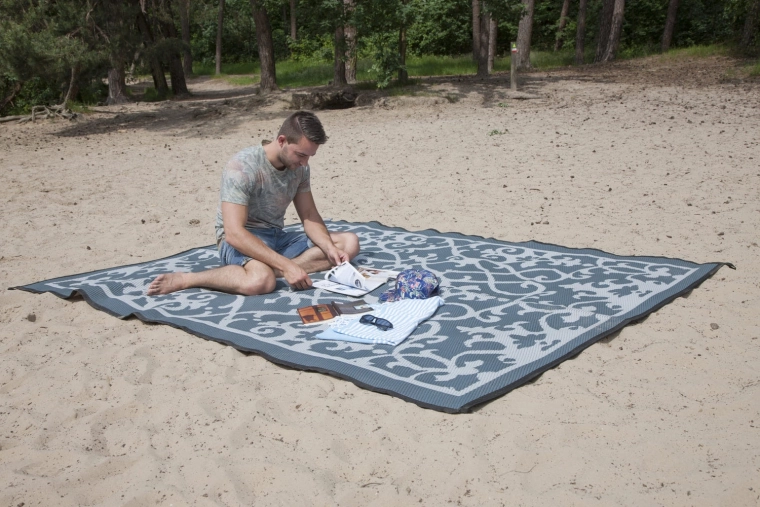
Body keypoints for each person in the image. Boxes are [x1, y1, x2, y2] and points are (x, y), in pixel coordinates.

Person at [147, 111, 360, 296]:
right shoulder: (242, 167)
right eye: (301, 155)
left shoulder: (300, 168)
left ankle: (273, 268)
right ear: (282, 140)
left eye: (310, 156)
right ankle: (188, 279)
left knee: (348, 244)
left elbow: (309, 214)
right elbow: (233, 233)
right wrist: (287, 265)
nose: (305, 163)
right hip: (241, 240)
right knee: (261, 281)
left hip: (276, 237)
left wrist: (328, 247)